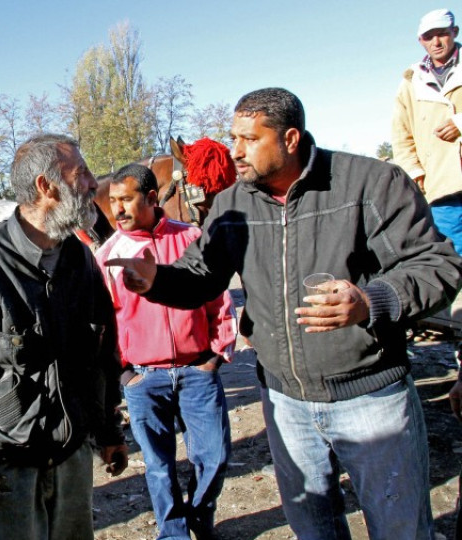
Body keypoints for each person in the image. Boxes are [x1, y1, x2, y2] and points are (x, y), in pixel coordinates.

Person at [106, 88, 462, 539]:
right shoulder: (234, 204)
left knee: (400, 529)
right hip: (285, 403)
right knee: (314, 531)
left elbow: (438, 265)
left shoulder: (371, 184)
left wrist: (372, 302)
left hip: (371, 398)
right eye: (233, 138)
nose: (235, 152)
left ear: (291, 138)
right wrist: (156, 279)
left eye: (249, 140)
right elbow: (201, 275)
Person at [0, 134, 129, 540]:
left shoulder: (79, 258)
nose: (92, 184)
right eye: (81, 173)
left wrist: (107, 429)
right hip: (4, 470)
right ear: (45, 186)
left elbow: (102, 356)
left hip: (72, 462)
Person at [96, 162, 236, 540]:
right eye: (113, 202)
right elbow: (104, 324)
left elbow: (219, 300)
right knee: (158, 466)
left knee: (215, 457)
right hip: (145, 378)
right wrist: (126, 374)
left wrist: (214, 357)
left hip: (197, 372)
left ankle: (200, 518)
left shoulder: (192, 237)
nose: (118, 210)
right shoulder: (108, 255)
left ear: (152, 197)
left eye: (126, 200)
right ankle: (172, 533)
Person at [393, 9, 462, 252]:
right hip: (442, 182)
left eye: (442, 34)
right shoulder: (412, 82)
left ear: (454, 32)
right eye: (428, 36)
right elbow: (402, 134)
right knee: (451, 252)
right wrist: (414, 170)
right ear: (420, 41)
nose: (436, 42)